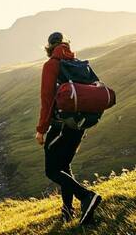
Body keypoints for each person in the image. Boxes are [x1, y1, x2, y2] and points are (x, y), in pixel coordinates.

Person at [35, 32, 102, 225]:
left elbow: (47, 100)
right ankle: (68, 211)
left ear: (49, 47)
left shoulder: (51, 65)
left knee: (52, 170)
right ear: (66, 44)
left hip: (61, 126)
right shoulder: (78, 62)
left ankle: (86, 196)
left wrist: (41, 129)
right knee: (64, 166)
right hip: (79, 124)